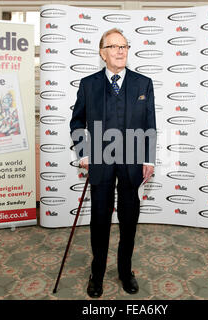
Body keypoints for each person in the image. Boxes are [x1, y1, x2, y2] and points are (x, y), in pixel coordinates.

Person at [70, 28, 156, 298]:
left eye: (124, 46)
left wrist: (148, 158)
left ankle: (125, 270)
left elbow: (149, 124)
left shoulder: (144, 83)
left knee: (129, 219)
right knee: (99, 219)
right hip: (101, 161)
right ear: (102, 52)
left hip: (132, 161)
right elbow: (76, 122)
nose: (121, 51)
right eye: (114, 46)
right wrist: (83, 153)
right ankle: (97, 272)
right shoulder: (89, 84)